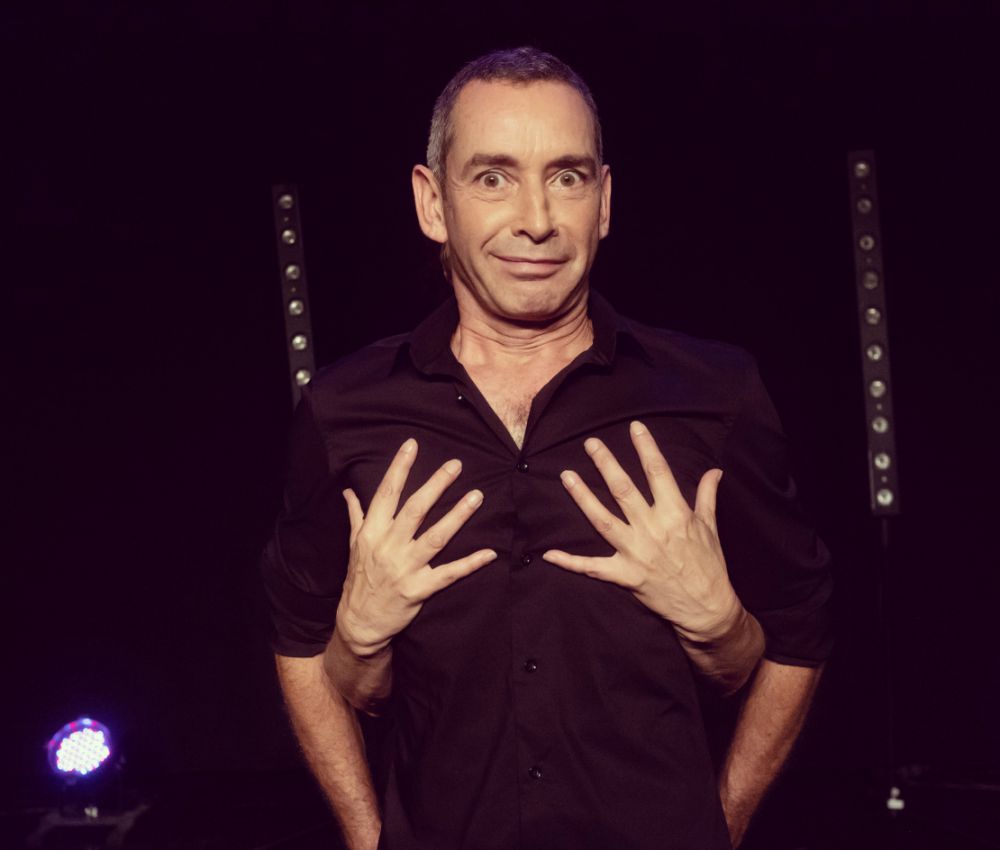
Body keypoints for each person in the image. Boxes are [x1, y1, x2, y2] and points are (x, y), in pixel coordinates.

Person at [261, 46, 832, 850]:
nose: (536, 218)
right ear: (433, 203)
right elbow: (297, 640)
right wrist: (365, 832)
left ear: (604, 201)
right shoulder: (344, 411)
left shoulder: (715, 395)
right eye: (493, 177)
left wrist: (723, 817)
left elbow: (801, 628)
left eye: (567, 177)